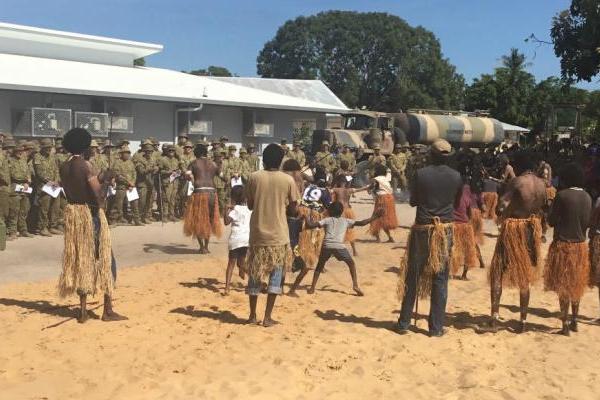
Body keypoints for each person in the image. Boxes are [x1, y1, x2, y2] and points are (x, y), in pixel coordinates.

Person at [57, 128, 127, 323]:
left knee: (82, 260)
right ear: (86, 146)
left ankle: (82, 311)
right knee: (105, 260)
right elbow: (99, 197)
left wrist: (102, 178)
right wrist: (106, 180)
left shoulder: (64, 167)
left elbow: (73, 190)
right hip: (90, 215)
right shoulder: (85, 166)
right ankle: (108, 310)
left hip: (74, 216)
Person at [396, 139, 462, 337]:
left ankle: (404, 323)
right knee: (440, 278)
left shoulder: (421, 174)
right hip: (444, 231)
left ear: (431, 155)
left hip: (423, 229)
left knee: (413, 274)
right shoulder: (456, 176)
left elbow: (413, 201)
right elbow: (457, 204)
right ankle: (435, 328)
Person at [481, 151, 547, 334]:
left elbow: (502, 205)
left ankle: (494, 317)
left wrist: (504, 214)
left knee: (497, 272)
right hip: (530, 230)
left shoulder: (517, 181)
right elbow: (543, 208)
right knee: (525, 275)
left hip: (513, 230)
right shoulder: (542, 184)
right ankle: (523, 320)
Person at [245, 143, 299, 327]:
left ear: (264, 159)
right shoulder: (288, 180)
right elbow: (294, 209)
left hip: (257, 233)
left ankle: (252, 315)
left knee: (255, 273)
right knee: (276, 275)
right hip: (278, 234)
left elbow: (250, 205)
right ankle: (267, 317)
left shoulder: (253, 177)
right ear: (280, 160)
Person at [544, 164, 591, 336]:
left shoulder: (562, 196)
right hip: (580, 247)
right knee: (576, 284)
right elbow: (587, 223)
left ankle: (564, 325)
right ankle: (575, 320)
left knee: (563, 285)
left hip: (563, 246)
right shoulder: (587, 197)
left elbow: (551, 221)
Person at [303, 201, 383, 296]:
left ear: (329, 211)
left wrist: (306, 216)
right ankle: (355, 285)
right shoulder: (345, 221)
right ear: (341, 212)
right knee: (351, 264)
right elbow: (362, 223)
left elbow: (310, 226)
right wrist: (375, 217)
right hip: (339, 247)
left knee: (319, 267)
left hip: (327, 246)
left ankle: (312, 288)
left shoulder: (327, 220)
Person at [183, 144, 223, 254]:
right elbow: (223, 176)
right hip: (211, 193)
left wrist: (189, 177)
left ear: (196, 153)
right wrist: (220, 165)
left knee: (198, 219)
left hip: (199, 192)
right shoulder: (213, 164)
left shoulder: (194, 163)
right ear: (205, 153)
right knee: (210, 220)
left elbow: (187, 175)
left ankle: (202, 248)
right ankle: (206, 246)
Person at [330, 174, 370, 256]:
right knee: (350, 231)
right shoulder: (349, 190)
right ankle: (355, 251)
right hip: (349, 211)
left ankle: (334, 251)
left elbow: (327, 191)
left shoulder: (336, 190)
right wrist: (367, 187)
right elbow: (360, 189)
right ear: (345, 182)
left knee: (337, 231)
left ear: (338, 182)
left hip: (340, 212)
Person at [223, 185, 251, 295]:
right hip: (246, 239)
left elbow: (226, 222)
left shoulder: (235, 209)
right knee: (241, 263)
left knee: (231, 263)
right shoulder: (249, 209)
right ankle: (255, 279)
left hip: (235, 238)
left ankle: (227, 288)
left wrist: (226, 210)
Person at [33, 138, 61, 236]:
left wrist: (56, 180)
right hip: (44, 186)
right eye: (47, 148)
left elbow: (56, 170)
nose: (49, 149)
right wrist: (50, 181)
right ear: (43, 148)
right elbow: (39, 172)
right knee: (44, 207)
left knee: (55, 206)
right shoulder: (37, 157)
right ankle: (42, 227)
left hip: (54, 184)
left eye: (50, 147)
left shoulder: (53, 157)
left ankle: (53, 226)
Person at [368, 164, 398, 242]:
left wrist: (368, 189)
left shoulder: (376, 179)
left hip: (382, 199)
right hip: (390, 199)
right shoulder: (386, 178)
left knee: (376, 218)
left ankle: (378, 238)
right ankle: (390, 238)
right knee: (385, 219)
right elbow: (389, 170)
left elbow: (371, 187)